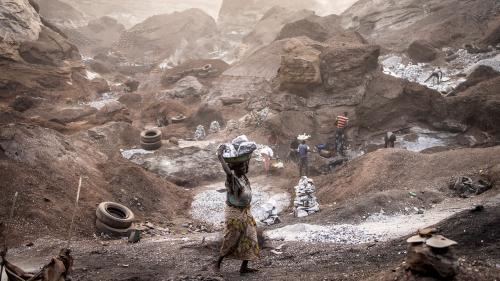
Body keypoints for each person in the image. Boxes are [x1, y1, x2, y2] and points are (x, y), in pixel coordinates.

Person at [215, 145, 260, 275]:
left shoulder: (244, 177)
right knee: (231, 239)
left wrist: (248, 155)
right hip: (234, 213)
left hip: (246, 212)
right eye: (242, 166)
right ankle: (218, 263)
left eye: (245, 166)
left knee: (250, 237)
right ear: (235, 168)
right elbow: (227, 171)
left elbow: (246, 163)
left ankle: (244, 267)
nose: (245, 168)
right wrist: (220, 156)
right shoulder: (233, 179)